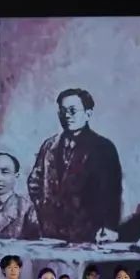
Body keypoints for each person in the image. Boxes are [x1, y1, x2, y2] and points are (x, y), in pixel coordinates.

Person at [27, 88, 122, 242]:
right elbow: (34, 181)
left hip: (89, 232)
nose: (67, 116)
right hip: (51, 232)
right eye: (63, 111)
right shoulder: (49, 145)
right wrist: (43, 207)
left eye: (72, 111)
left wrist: (109, 227)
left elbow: (111, 193)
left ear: (88, 114)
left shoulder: (103, 147)